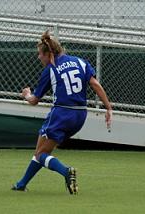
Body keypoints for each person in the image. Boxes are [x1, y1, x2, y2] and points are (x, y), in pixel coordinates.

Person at [12, 30, 112, 195]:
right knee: (40, 151)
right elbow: (95, 84)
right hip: (80, 115)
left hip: (62, 114)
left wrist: (26, 94)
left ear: (49, 54)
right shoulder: (80, 62)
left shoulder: (51, 69)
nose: (38, 58)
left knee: (42, 153)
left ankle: (66, 171)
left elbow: (34, 101)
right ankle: (21, 184)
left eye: (40, 54)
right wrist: (108, 108)